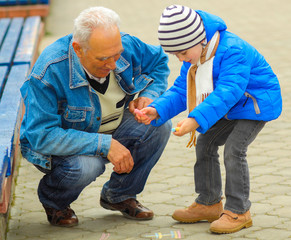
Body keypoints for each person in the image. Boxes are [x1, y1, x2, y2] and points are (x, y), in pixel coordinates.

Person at [19, 6, 172, 227]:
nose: (113, 65)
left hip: (111, 127)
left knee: (159, 124)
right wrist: (104, 144)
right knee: (88, 166)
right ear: (78, 49)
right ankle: (55, 201)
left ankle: (118, 196)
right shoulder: (48, 72)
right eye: (103, 59)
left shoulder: (125, 45)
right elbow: (41, 135)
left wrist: (149, 95)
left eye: (117, 55)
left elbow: (159, 62)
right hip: (63, 145)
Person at [137, 5, 282, 234]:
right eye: (176, 55)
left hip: (253, 104)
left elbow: (228, 91)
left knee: (234, 149)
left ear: (199, 39)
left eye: (183, 53)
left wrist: (195, 120)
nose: (181, 59)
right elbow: (182, 89)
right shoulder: (195, 53)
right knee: (205, 142)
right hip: (230, 106)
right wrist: (157, 109)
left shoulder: (233, 50)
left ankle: (239, 210)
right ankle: (209, 202)